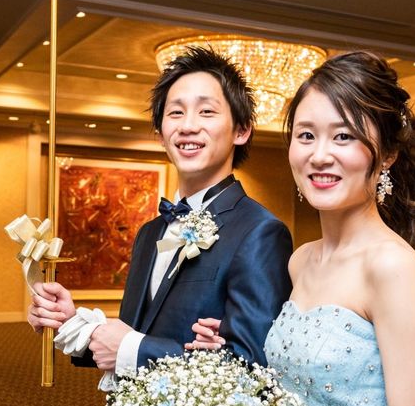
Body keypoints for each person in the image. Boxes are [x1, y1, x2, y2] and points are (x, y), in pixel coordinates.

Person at [188, 51, 415, 406]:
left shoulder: (392, 266)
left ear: (388, 154)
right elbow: (302, 390)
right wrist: (229, 355)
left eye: (344, 136)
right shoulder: (301, 260)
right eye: (306, 135)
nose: (319, 155)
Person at [27, 46, 292, 385]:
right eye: (175, 113)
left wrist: (132, 350)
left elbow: (254, 368)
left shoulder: (260, 232)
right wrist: (70, 322)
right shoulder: (150, 232)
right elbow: (136, 331)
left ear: (241, 130)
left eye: (207, 111)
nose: (188, 126)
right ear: (160, 135)